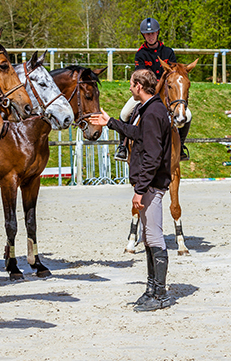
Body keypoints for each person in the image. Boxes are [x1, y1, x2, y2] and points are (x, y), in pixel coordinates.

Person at [90, 69, 174, 312]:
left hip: (152, 184)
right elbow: (139, 135)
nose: (129, 88)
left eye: (131, 84)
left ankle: (160, 293)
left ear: (139, 86)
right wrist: (112, 123)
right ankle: (151, 289)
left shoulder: (153, 111)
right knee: (148, 237)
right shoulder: (147, 109)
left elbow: (152, 156)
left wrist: (140, 189)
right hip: (148, 183)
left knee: (155, 237)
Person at [114, 17, 191, 162]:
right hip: (145, 93)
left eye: (153, 33)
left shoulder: (168, 52)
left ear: (157, 33)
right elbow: (141, 76)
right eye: (147, 34)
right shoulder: (141, 54)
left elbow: (174, 74)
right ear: (144, 35)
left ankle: (180, 147)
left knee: (189, 115)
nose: (150, 36)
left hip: (167, 93)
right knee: (124, 113)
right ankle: (123, 147)